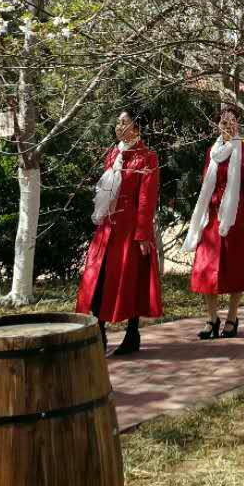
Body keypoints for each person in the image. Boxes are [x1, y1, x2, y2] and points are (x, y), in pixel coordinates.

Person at [77, 109, 163, 356]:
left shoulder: (147, 157)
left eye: (123, 123)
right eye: (117, 122)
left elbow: (146, 198)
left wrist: (142, 234)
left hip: (129, 228)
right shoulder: (114, 153)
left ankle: (132, 333)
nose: (118, 127)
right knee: (99, 278)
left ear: (136, 128)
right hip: (107, 227)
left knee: (132, 279)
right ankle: (99, 332)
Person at [187, 107, 244, 340]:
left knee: (235, 268)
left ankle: (231, 317)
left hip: (235, 217)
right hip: (211, 216)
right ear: (218, 125)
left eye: (232, 121)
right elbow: (204, 183)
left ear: (238, 124)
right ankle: (212, 318)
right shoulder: (213, 151)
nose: (227, 125)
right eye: (223, 122)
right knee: (206, 267)